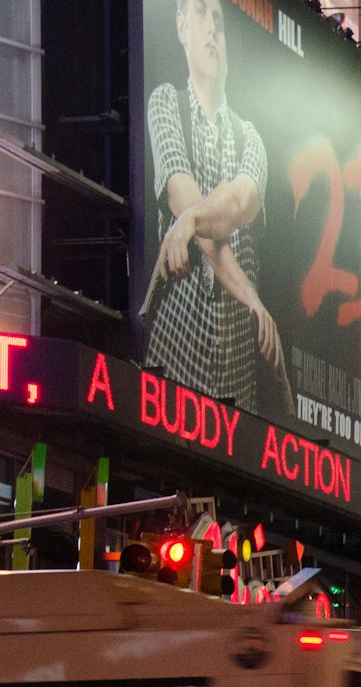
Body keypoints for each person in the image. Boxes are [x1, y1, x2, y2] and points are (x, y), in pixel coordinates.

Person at [143, 0, 285, 413]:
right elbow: (185, 200)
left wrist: (188, 221)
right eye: (201, 14)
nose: (212, 30)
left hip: (237, 374)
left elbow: (239, 204)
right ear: (182, 27)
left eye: (219, 22)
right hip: (172, 355)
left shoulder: (250, 138)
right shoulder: (166, 104)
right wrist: (253, 299)